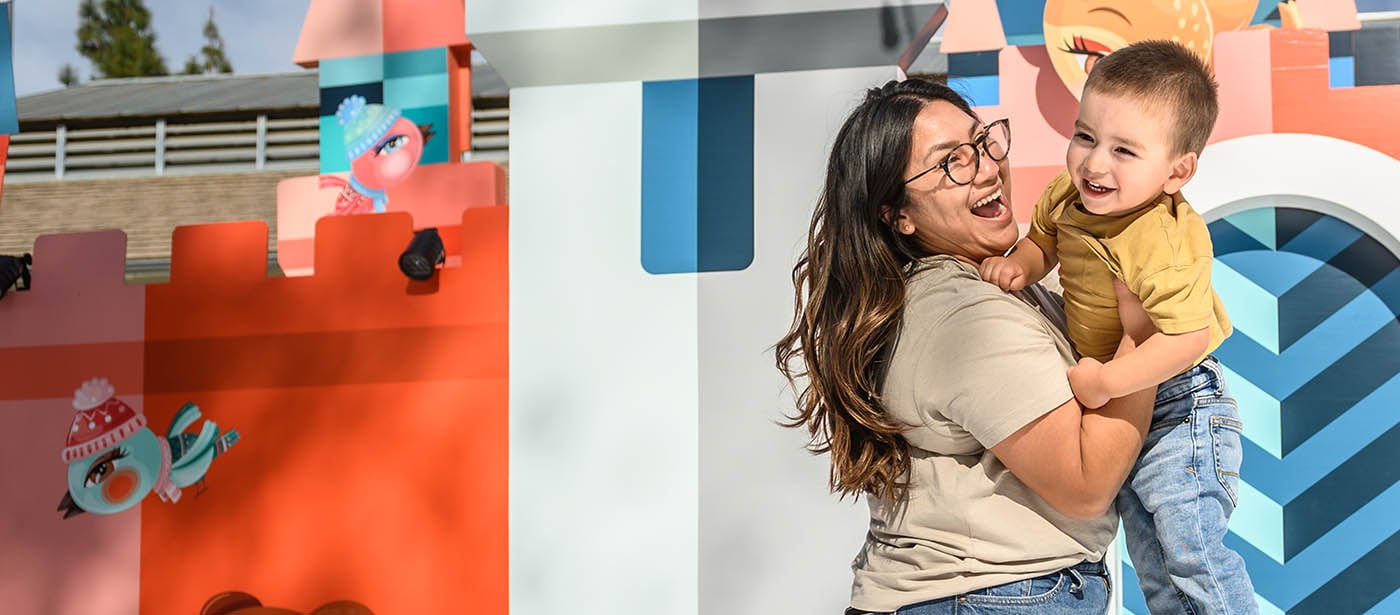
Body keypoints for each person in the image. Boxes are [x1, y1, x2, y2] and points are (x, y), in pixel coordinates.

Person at [775, 78, 1156, 614]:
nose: (984, 166)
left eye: (982, 142)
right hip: (992, 597)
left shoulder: (983, 286)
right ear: (898, 214)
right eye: (950, 162)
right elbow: (1085, 482)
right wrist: (1147, 335)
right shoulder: (964, 316)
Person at [979, 40, 1256, 613]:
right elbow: (1043, 241)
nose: (1094, 163)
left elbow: (1187, 338)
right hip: (1125, 396)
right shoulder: (1070, 194)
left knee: (1193, 553)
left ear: (1177, 171)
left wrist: (1110, 382)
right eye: (1085, 136)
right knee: (1153, 565)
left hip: (1180, 403)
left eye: (1124, 150)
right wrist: (1020, 265)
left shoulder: (1162, 240)